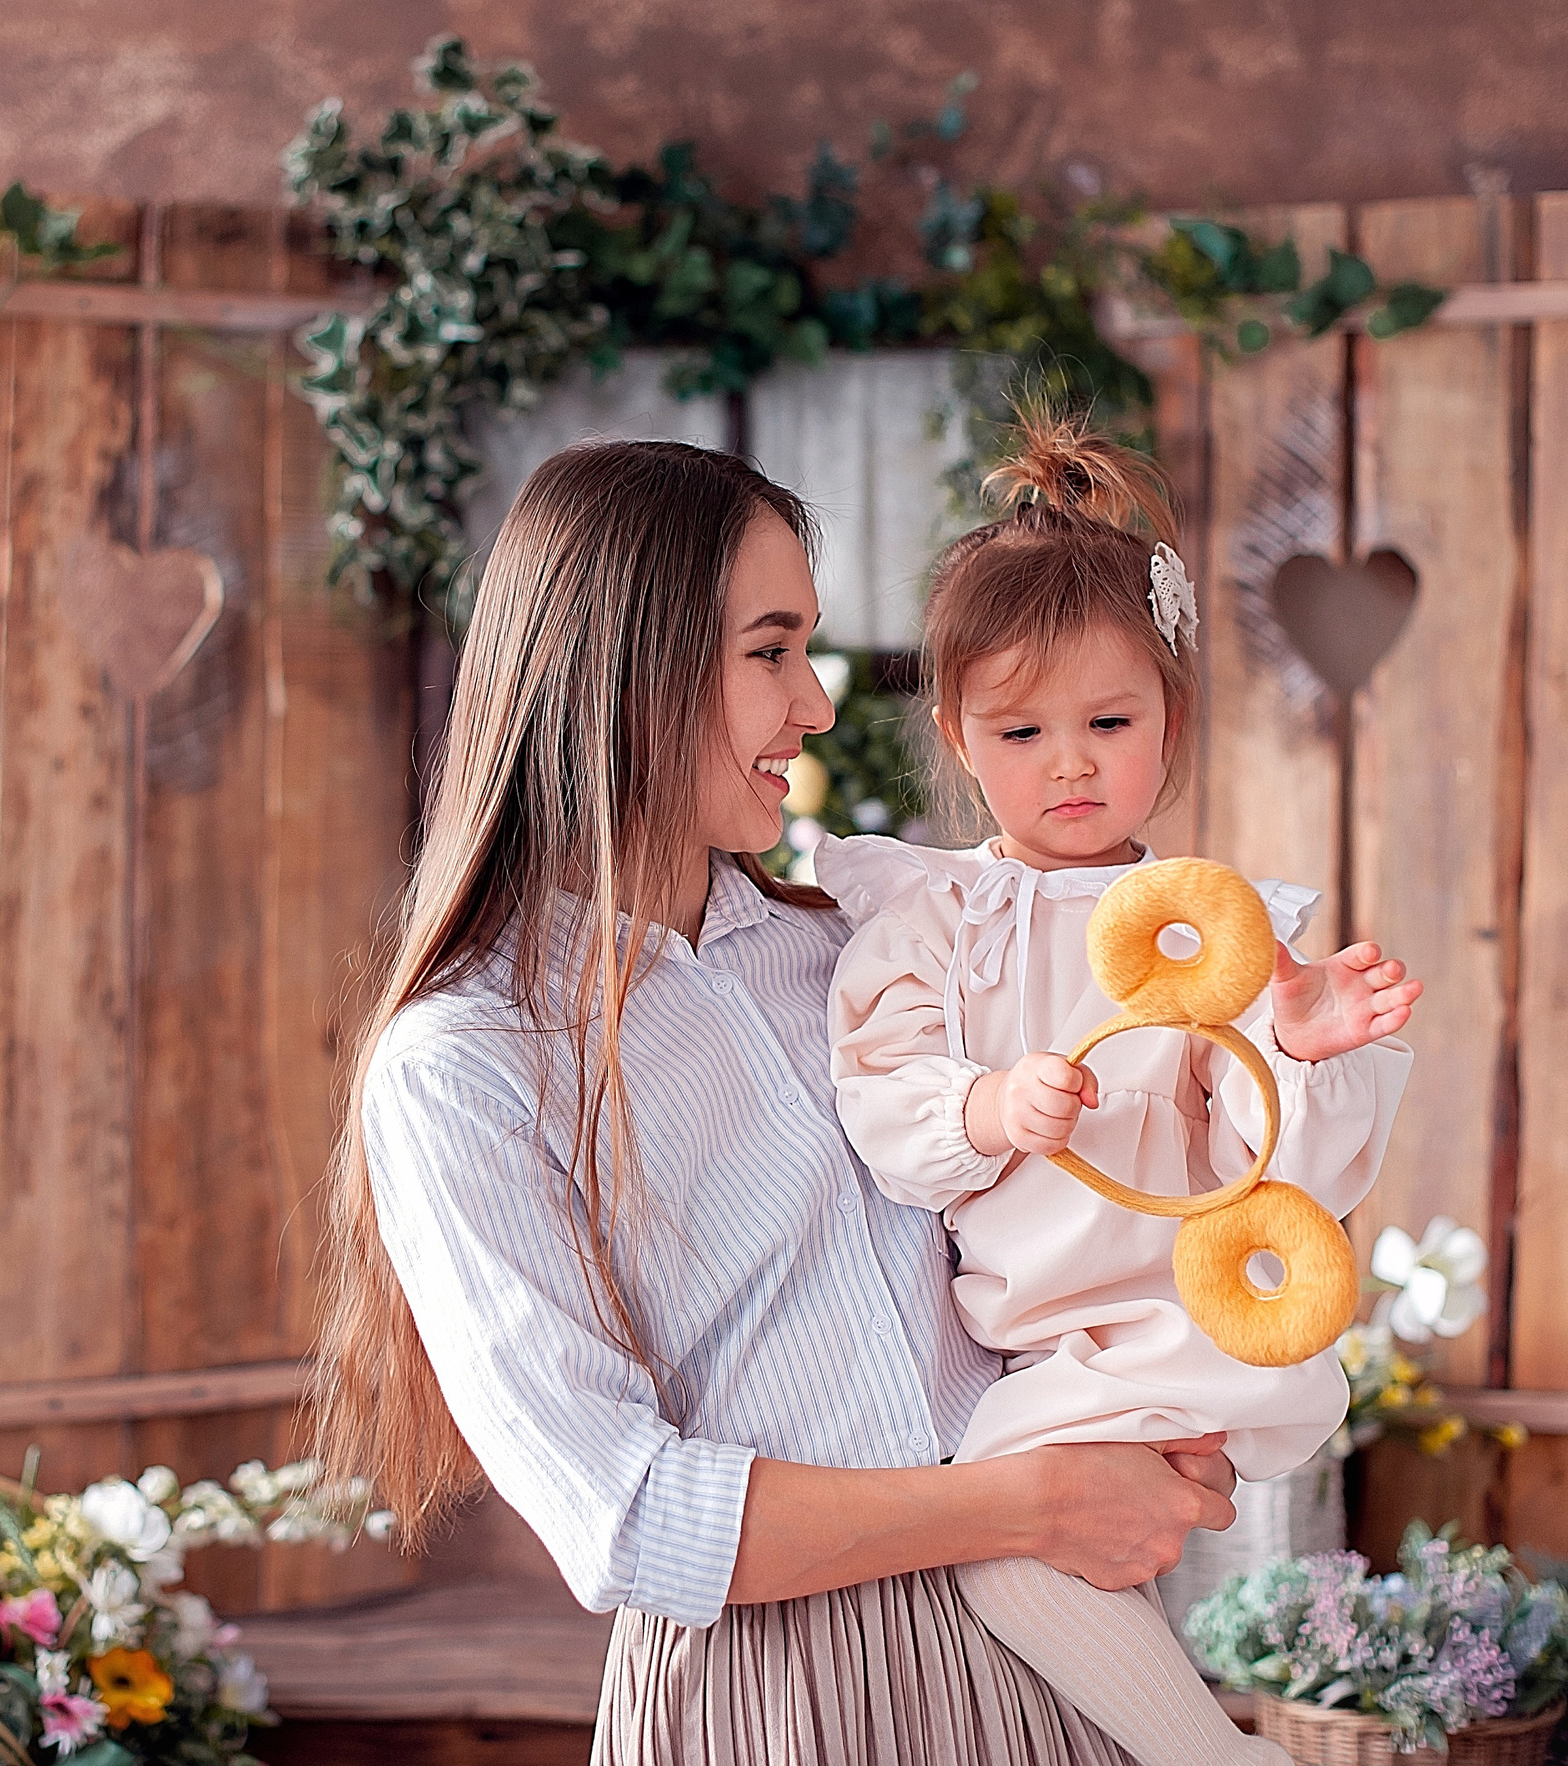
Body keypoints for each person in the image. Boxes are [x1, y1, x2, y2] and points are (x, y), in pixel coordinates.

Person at [315, 438, 1244, 1765]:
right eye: (771, 650)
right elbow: (626, 1519)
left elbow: (1054, 1246)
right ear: (624, 665)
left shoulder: (859, 957)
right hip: (770, 1697)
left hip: (1051, 1643)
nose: (814, 703)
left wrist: (1155, 1426)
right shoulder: (466, 1063)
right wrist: (1031, 1502)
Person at [819, 408, 1421, 1763]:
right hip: (1040, 1341)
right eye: (1021, 730)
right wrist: (989, 1107)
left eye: (1109, 719)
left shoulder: (1216, 932)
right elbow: (882, 1102)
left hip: (1167, 1319)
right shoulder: (936, 923)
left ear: (1171, 717)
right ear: (958, 737)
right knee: (1052, 1566)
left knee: (1003, 1538)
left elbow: (1280, 1177)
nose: (1072, 761)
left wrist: (1300, 1047)